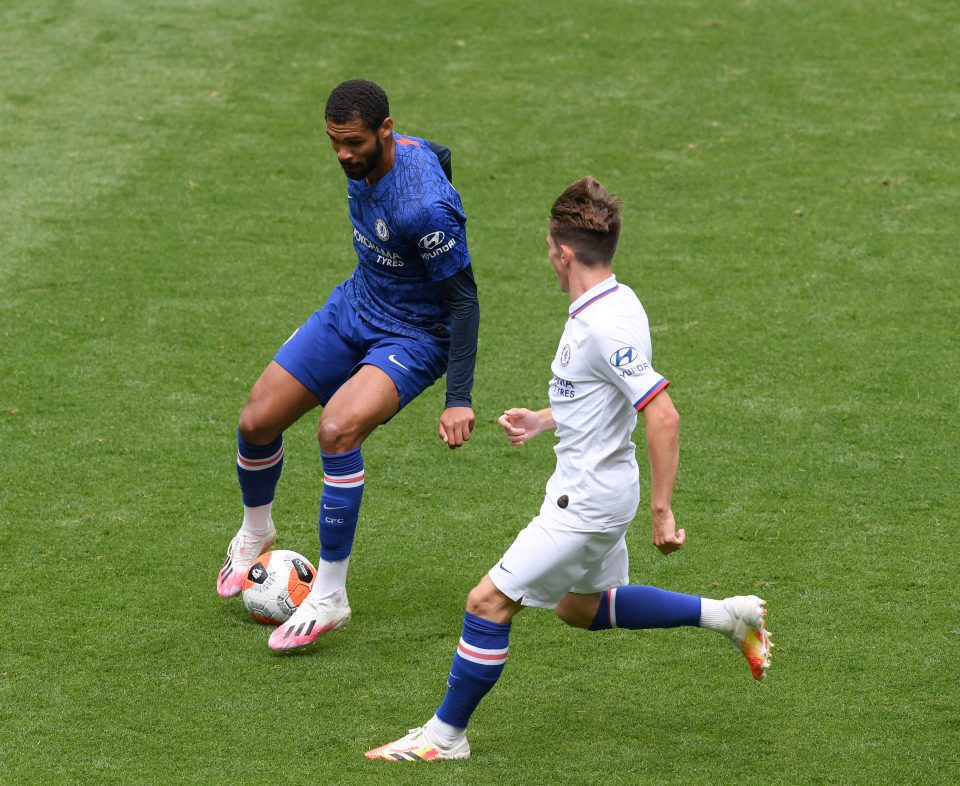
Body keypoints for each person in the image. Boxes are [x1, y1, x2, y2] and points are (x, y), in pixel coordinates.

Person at [365, 177, 772, 762]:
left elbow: (663, 415)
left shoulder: (601, 325)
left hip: (585, 501)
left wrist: (663, 512)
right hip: (603, 489)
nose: (548, 262)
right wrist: (543, 419)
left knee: (486, 601)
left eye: (548, 251)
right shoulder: (617, 300)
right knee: (579, 609)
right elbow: (603, 395)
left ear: (563, 251)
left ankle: (443, 738)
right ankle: (729, 616)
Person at [216, 79, 479, 652]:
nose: (342, 154)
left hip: (413, 335)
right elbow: (439, 152)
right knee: (256, 420)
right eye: (334, 141)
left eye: (353, 142)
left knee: (336, 430)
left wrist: (458, 397)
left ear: (385, 130)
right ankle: (255, 531)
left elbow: (464, 301)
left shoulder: (426, 208)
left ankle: (330, 593)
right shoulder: (384, 156)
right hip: (356, 304)